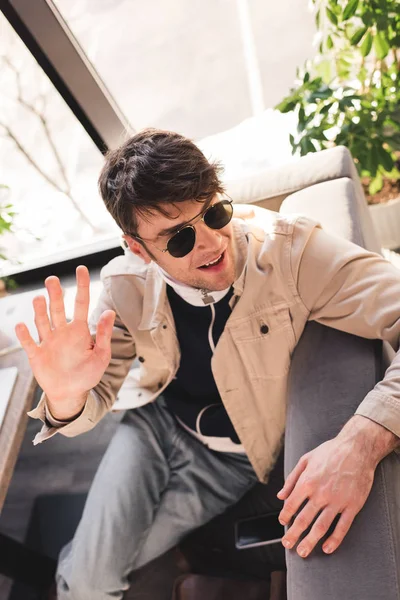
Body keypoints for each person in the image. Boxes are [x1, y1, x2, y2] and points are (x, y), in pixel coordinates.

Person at [17, 128, 400, 600]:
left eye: (214, 211)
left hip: (229, 461)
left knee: (91, 581)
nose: (211, 242)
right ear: (137, 247)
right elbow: (91, 402)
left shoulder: (293, 255)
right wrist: (63, 396)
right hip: (153, 428)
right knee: (91, 581)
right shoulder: (125, 285)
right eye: (177, 239)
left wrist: (360, 443)